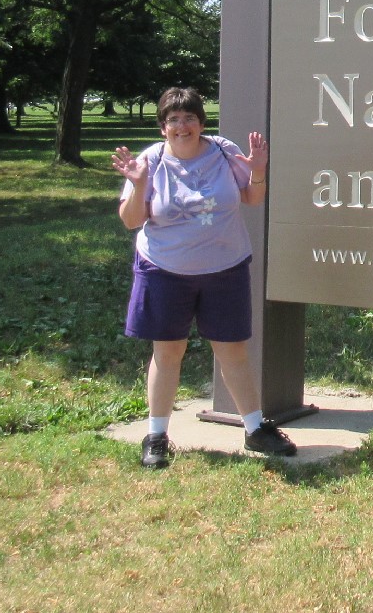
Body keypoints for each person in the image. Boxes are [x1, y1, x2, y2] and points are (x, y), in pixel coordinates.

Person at [112, 86, 296, 468]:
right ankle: (157, 436)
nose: (182, 126)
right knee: (167, 352)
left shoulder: (224, 152)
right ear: (163, 127)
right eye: (174, 120)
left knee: (232, 351)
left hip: (224, 268)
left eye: (190, 118)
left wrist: (258, 171)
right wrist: (140, 183)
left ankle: (255, 429)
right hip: (164, 270)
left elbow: (252, 198)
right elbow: (131, 221)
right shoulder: (149, 161)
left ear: (201, 122)